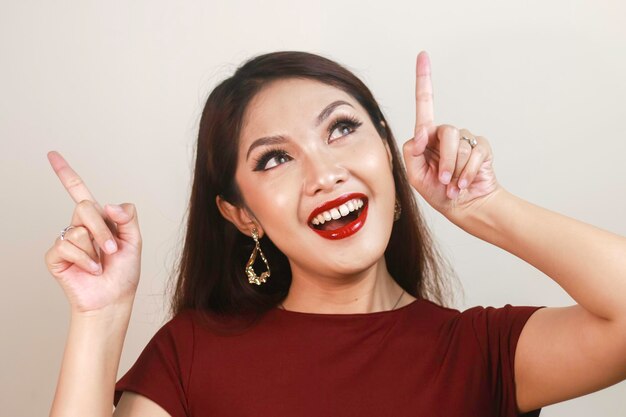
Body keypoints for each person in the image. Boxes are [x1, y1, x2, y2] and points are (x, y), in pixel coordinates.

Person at [45, 51, 626, 417]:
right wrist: (100, 318)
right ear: (241, 214)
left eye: (342, 128)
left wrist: (484, 207)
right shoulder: (191, 356)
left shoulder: (482, 353)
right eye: (275, 159)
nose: (325, 174)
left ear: (386, 151)